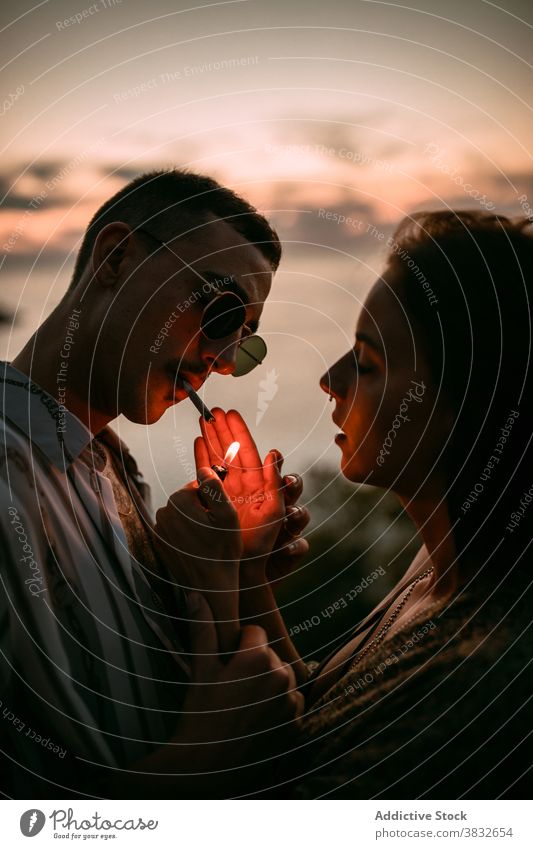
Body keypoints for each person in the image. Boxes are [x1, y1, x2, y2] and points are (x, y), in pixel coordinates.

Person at [193, 210, 533, 798]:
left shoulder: (485, 674)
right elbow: (322, 717)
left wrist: (201, 753)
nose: (330, 379)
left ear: (470, 403)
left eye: (368, 362)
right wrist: (247, 563)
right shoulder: (434, 570)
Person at [0, 169, 309, 798]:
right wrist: (196, 770)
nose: (224, 360)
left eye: (246, 342)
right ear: (116, 258)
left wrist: (238, 567)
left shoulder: (117, 476)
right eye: (221, 313)